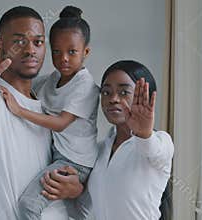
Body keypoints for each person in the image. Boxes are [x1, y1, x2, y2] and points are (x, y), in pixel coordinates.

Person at [0, 6, 83, 220]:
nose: (30, 50)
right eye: (19, 41)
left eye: (38, 42)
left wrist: (76, 189)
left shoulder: (48, 104)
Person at [0, 6, 99, 220]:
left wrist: (19, 110)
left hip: (75, 163)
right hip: (57, 156)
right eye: (56, 51)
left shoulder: (86, 86)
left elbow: (61, 123)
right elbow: (24, 83)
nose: (63, 58)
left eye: (72, 52)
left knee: (29, 206)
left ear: (86, 52)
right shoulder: (51, 81)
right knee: (72, 213)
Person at [41, 60, 174, 219]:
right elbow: (83, 213)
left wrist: (144, 133)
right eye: (106, 92)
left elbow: (151, 150)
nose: (113, 99)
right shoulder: (99, 151)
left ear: (144, 97)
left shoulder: (161, 142)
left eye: (124, 92)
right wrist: (76, 191)